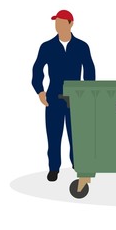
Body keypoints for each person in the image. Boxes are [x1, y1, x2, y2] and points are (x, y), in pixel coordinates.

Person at [32, 10, 96, 181]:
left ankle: (78, 164)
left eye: (61, 22)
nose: (58, 26)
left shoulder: (82, 46)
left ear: (70, 24)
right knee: (53, 135)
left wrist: (88, 94)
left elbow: (89, 70)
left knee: (77, 135)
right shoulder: (47, 47)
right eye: (56, 22)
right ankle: (54, 168)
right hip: (53, 98)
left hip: (77, 98)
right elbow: (37, 69)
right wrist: (40, 90)